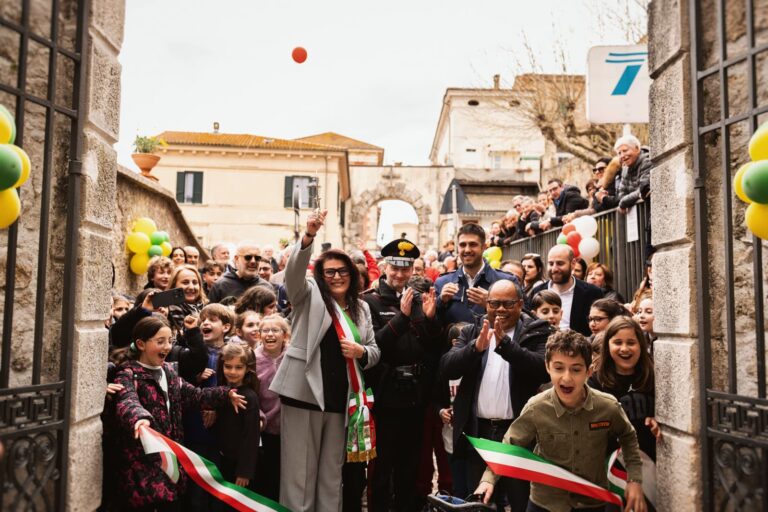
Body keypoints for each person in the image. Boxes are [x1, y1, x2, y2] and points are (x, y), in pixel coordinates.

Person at [268, 209, 381, 512]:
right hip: (304, 394)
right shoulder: (308, 295)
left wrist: (362, 353)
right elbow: (293, 274)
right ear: (321, 275)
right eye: (329, 272)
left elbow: (373, 350)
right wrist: (309, 235)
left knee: (332, 477)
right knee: (300, 478)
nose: (336, 277)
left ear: (353, 275)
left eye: (342, 271)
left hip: (341, 400)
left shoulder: (362, 309)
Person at [473, 329, 646, 512]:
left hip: (592, 502)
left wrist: (634, 480)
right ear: (547, 367)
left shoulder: (607, 406)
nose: (567, 377)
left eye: (576, 369)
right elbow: (510, 445)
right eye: (558, 368)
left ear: (589, 371)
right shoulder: (536, 408)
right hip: (545, 504)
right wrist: (488, 480)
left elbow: (628, 437)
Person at [111, 316, 246, 510]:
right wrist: (140, 419)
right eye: (160, 342)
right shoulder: (128, 373)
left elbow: (194, 395)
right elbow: (127, 400)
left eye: (169, 341)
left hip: (171, 458)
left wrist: (225, 394)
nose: (166, 347)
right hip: (142, 462)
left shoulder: (169, 371)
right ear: (140, 344)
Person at [440, 279, 553, 511]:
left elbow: (542, 369)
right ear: (486, 304)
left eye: (508, 303)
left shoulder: (536, 331)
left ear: (520, 304)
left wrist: (506, 346)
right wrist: (475, 348)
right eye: (494, 303)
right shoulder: (472, 331)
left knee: (520, 501)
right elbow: (447, 367)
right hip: (478, 433)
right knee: (480, 503)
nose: (500, 309)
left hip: (519, 434)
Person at [361, 238, 440, 512]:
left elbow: (430, 348)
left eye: (405, 270)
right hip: (386, 396)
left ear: (413, 271)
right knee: (383, 467)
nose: (399, 274)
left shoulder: (418, 299)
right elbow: (375, 347)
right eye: (394, 268)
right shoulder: (368, 302)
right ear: (384, 267)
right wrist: (402, 317)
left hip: (415, 396)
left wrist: (430, 322)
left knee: (411, 465)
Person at [590, 317, 660, 466]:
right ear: (607, 346)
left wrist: (658, 420)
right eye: (617, 342)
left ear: (641, 345)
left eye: (631, 343)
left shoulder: (653, 376)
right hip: (612, 467)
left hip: (650, 464)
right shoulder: (596, 382)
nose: (624, 348)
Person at [435, 223, 519, 326]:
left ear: (484, 247)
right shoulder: (442, 283)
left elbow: (521, 322)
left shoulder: (507, 282)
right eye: (462, 245)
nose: (467, 250)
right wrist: (440, 302)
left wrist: (491, 305)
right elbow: (432, 330)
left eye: (473, 244)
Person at [211, 343, 261, 494]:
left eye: (238, 367)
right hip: (223, 459)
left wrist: (244, 471)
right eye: (228, 366)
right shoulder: (221, 392)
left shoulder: (249, 397)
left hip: (240, 466)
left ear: (247, 369)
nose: (232, 372)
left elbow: (251, 436)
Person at [530, 245, 603, 336]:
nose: (554, 269)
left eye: (560, 263)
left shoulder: (592, 292)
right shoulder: (537, 292)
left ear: (573, 263)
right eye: (551, 264)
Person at [254, 314, 289, 501]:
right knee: (269, 476)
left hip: (291, 428)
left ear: (285, 335)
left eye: (275, 330)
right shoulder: (253, 359)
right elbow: (250, 394)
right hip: (265, 428)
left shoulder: (293, 355)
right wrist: (259, 417)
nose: (270, 334)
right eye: (265, 330)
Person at [166, 264, 207, 333]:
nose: (191, 287)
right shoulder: (170, 309)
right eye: (185, 282)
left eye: (195, 282)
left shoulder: (205, 307)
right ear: (174, 285)